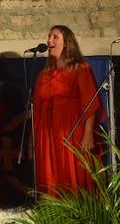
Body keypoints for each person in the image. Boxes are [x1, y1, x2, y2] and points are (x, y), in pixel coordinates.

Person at [33, 25, 101, 196]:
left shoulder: (81, 69)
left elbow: (91, 103)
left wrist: (88, 133)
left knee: (71, 172)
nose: (49, 40)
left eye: (55, 37)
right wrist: (33, 139)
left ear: (67, 42)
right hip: (47, 134)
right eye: (49, 37)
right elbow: (37, 110)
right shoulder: (44, 75)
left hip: (71, 129)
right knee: (51, 174)